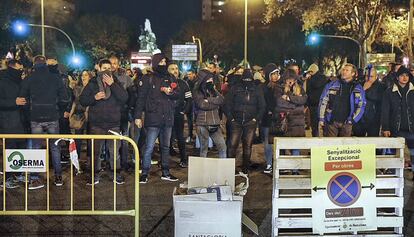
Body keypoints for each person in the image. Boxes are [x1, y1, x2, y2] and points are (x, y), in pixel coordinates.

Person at [19, 55, 70, 189]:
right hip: (52, 116)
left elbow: (22, 98)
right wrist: (59, 110)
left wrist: (29, 111)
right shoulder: (55, 78)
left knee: (35, 147)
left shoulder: (29, 79)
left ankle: (35, 178)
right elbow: (64, 98)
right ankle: (58, 176)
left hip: (35, 117)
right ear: (46, 65)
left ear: (34, 65)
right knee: (55, 147)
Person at [80, 59, 128, 185]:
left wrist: (112, 84)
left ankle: (115, 173)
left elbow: (124, 98)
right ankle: (94, 175)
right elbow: (83, 100)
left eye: (109, 68)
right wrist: (94, 98)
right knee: (95, 152)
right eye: (104, 68)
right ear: (99, 69)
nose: (107, 70)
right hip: (97, 124)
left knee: (114, 152)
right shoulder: (92, 83)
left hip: (113, 124)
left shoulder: (116, 82)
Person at [134, 53, 180, 184]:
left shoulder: (171, 77)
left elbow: (178, 94)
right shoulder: (148, 78)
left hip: (168, 118)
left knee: (165, 147)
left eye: (165, 62)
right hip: (153, 117)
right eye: (161, 62)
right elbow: (141, 99)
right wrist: (138, 116)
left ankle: (166, 172)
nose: (163, 64)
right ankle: (144, 173)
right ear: (155, 63)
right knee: (149, 147)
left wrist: (170, 92)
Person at [225, 69, 265, 174]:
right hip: (236, 121)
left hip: (250, 122)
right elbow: (227, 104)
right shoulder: (235, 89)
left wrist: (255, 119)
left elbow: (262, 106)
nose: (247, 81)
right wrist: (231, 118)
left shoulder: (256, 90)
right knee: (232, 145)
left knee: (247, 146)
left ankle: (245, 168)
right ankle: (230, 168)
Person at [381, 67, 414, 176]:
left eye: (407, 75)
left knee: (413, 153)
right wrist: (385, 128)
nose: (405, 78)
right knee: (395, 153)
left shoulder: (413, 91)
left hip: (412, 128)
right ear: (397, 77)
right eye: (402, 75)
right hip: (396, 128)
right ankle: (394, 174)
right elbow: (385, 111)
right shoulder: (389, 91)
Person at [318, 63, 366, 137]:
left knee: (344, 147)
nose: (344, 72)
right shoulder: (332, 85)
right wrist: (321, 118)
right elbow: (323, 101)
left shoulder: (358, 88)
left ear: (353, 73)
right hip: (332, 121)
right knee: (330, 146)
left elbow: (361, 105)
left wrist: (353, 120)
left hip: (347, 123)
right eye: (343, 70)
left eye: (347, 70)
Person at [276, 69, 308, 174]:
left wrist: (289, 98)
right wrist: (296, 104)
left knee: (296, 147)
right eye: (288, 79)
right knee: (283, 146)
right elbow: (280, 103)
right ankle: (283, 168)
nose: (290, 81)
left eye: (292, 79)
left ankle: (295, 169)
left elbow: (303, 100)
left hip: (297, 124)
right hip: (285, 122)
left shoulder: (300, 88)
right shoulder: (279, 88)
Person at [0, 60, 25, 189]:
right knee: (9, 150)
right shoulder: (2, 81)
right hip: (7, 123)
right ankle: (7, 177)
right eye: (19, 69)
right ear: (12, 69)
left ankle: (18, 173)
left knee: (20, 149)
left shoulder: (19, 82)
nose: (21, 72)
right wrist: (13, 102)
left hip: (20, 122)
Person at [193, 69, 227, 158]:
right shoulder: (197, 91)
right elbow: (202, 105)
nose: (211, 81)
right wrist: (215, 104)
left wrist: (209, 100)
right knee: (204, 150)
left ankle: (222, 169)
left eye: (211, 79)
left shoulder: (213, 90)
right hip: (202, 124)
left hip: (215, 123)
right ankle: (202, 170)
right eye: (208, 79)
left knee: (222, 147)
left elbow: (222, 100)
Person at [109, 56, 134, 172]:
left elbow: (132, 95)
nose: (113, 65)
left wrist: (128, 108)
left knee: (124, 140)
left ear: (118, 64)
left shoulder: (126, 78)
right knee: (111, 141)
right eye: (111, 63)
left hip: (123, 114)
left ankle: (124, 163)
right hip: (109, 114)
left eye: (115, 63)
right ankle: (111, 164)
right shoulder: (102, 77)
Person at [168, 63, 192, 168]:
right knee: (166, 136)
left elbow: (189, 100)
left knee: (180, 137)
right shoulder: (164, 82)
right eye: (172, 69)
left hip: (178, 114)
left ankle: (183, 159)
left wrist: (184, 111)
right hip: (166, 114)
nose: (175, 70)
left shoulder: (183, 84)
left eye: (176, 68)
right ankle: (165, 159)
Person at [261, 63, 283, 174]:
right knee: (267, 142)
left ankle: (281, 164)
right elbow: (262, 103)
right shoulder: (264, 87)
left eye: (277, 73)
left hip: (279, 119)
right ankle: (269, 164)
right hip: (267, 120)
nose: (275, 76)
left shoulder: (281, 86)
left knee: (281, 142)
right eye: (273, 74)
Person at [353, 66, 385, 137]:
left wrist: (364, 91)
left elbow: (377, 98)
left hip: (374, 119)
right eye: (367, 76)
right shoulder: (360, 85)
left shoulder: (381, 87)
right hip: (360, 119)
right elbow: (355, 98)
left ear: (376, 77)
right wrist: (363, 89)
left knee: (372, 142)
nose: (368, 79)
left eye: (371, 76)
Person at [71, 70, 92, 159]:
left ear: (90, 77)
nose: (83, 77)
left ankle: (89, 158)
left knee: (89, 138)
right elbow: (75, 101)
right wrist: (71, 112)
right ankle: (77, 157)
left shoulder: (92, 87)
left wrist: (87, 111)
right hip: (78, 115)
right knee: (78, 138)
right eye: (82, 75)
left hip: (90, 115)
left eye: (86, 75)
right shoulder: (77, 88)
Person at [303, 64, 328, 137]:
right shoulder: (323, 78)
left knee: (314, 125)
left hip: (313, 104)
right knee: (323, 124)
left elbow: (308, 91)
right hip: (322, 103)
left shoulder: (311, 79)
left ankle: (315, 140)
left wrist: (307, 103)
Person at [184, 70, 197, 143]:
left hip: (196, 103)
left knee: (196, 120)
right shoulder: (186, 82)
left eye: (190, 74)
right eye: (188, 74)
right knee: (190, 120)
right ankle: (190, 135)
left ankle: (197, 136)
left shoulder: (197, 82)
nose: (189, 76)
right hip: (189, 103)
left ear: (194, 74)